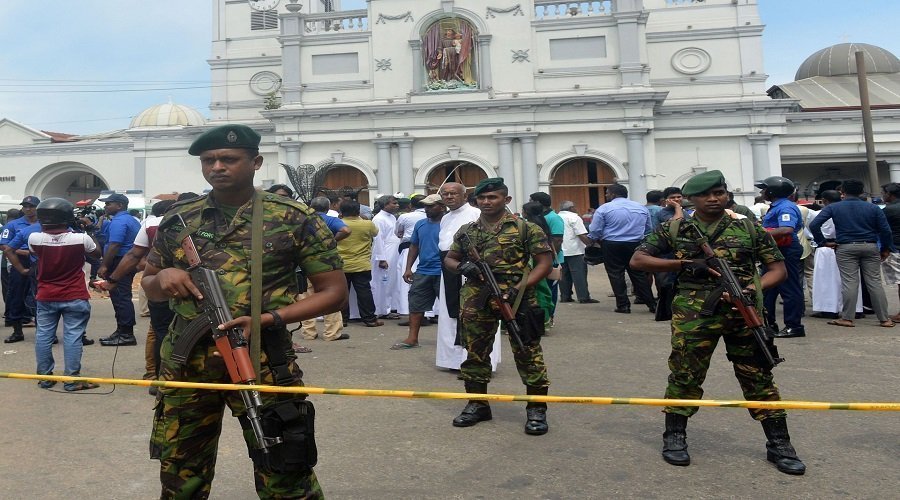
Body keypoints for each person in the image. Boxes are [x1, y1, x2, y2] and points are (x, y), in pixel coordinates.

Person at [142, 124, 347, 498]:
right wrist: (166, 275)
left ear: (256, 162)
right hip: (187, 365)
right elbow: (150, 284)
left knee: (284, 468)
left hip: (262, 359)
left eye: (229, 159)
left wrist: (269, 319)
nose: (217, 167)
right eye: (209, 160)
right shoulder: (179, 219)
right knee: (180, 473)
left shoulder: (291, 217)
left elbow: (334, 292)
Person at [630, 169, 806, 476]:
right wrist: (684, 264)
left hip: (743, 311)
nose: (714, 199)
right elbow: (638, 260)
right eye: (706, 195)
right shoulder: (675, 228)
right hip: (694, 315)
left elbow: (777, 270)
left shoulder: (748, 228)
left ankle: (779, 443)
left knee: (758, 375)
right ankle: (675, 436)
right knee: (685, 373)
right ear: (691, 199)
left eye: (720, 192)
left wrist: (752, 289)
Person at [444, 178, 553, 435]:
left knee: (528, 352)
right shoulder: (468, 231)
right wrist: (462, 267)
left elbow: (544, 263)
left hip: (519, 298)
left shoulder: (525, 229)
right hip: (476, 297)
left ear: (506, 200)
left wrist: (521, 287)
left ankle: (536, 409)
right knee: (475, 352)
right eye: (482, 198)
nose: (486, 202)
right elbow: (450, 258)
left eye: (492, 197)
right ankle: (477, 404)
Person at [9, 198, 101, 391]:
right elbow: (96, 253)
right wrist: (87, 230)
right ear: (67, 217)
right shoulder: (80, 239)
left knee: (43, 335)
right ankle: (72, 379)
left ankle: (44, 377)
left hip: (46, 295)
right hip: (74, 294)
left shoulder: (34, 238)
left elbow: (34, 252)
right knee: (73, 336)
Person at [106, 199, 176, 388]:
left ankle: (156, 377)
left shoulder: (150, 223)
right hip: (194, 287)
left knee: (160, 332)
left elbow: (133, 254)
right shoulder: (199, 219)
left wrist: (112, 279)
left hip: (159, 285)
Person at [808, 179, 894, 328]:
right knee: (874, 283)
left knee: (850, 282)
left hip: (845, 247)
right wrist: (885, 248)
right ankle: (884, 319)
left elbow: (814, 224)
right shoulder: (872, 208)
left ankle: (847, 318)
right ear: (861, 192)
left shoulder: (834, 207)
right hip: (870, 245)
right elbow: (886, 230)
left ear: (843, 192)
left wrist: (823, 242)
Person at [436, 182, 501, 371]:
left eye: (453, 193)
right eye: (445, 194)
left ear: (465, 196)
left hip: (470, 269)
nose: (449, 197)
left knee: (474, 315)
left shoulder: (475, 214)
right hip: (449, 267)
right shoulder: (445, 218)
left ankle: (476, 361)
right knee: (451, 314)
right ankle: (454, 361)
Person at [589, 183, 656, 313]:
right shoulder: (641, 208)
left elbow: (595, 230)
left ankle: (623, 305)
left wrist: (594, 239)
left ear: (613, 194)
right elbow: (648, 229)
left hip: (612, 244)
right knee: (639, 274)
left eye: (607, 193)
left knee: (615, 274)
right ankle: (652, 304)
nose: (606, 195)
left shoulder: (604, 208)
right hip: (635, 243)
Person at [296, 196, 352, 344]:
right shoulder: (330, 220)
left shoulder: (302, 219)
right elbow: (346, 230)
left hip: (303, 264)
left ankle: (308, 332)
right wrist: (333, 241)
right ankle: (331, 333)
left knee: (306, 298)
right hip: (326, 265)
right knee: (330, 296)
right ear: (328, 208)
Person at [393, 194, 446, 349]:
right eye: (426, 206)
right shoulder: (420, 224)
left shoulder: (448, 223)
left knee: (448, 308)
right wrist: (408, 268)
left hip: (444, 272)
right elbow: (414, 246)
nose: (427, 209)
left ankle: (451, 340)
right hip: (423, 270)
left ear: (442, 207)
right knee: (415, 305)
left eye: (431, 206)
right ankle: (412, 338)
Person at [756, 176, 806, 338]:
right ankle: (768, 323)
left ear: (772, 191)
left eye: (764, 189)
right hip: (774, 250)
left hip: (785, 250)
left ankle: (794, 326)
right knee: (768, 288)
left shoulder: (785, 207)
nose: (762, 192)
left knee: (789, 289)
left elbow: (786, 229)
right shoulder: (776, 206)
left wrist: (761, 233)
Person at [96, 193, 142, 346]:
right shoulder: (131, 220)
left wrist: (104, 265)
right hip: (126, 261)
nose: (105, 206)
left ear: (120, 205)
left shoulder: (120, 221)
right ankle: (121, 330)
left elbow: (114, 245)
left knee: (120, 297)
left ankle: (126, 334)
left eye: (109, 203)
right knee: (120, 296)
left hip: (119, 261)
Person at [809, 190, 862, 319]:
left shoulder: (820, 213)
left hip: (827, 246)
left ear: (825, 200)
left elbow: (811, 228)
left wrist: (821, 241)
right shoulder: (850, 212)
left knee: (826, 279)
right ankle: (855, 308)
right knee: (850, 279)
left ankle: (829, 308)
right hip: (846, 244)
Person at [337, 199, 383, 327]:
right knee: (364, 292)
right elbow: (376, 233)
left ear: (341, 211)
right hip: (362, 263)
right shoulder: (367, 224)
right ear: (358, 211)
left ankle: (342, 319)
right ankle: (370, 319)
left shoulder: (338, 223)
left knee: (342, 293)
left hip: (342, 264)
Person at [1, 196, 40, 342]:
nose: (28, 209)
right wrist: (24, 253)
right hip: (19, 261)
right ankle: (17, 331)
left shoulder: (44, 224)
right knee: (16, 295)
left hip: (39, 261)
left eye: (32, 206)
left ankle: (43, 332)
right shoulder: (13, 225)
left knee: (40, 296)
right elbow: (4, 245)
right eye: (25, 206)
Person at [394, 193, 428, 323]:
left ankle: (411, 313)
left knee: (407, 282)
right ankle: (430, 312)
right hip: (428, 251)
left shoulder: (405, 217)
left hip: (409, 250)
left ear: (410, 205)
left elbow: (397, 232)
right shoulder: (433, 216)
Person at [557, 200, 596, 303]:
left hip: (560, 250)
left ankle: (565, 296)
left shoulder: (557, 216)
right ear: (571, 208)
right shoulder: (574, 217)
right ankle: (583, 297)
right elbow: (581, 234)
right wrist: (590, 244)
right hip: (575, 250)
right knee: (579, 274)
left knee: (563, 275)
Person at [371, 194, 402, 319]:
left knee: (392, 281)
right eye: (393, 203)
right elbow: (378, 240)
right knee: (382, 282)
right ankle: (382, 310)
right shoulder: (378, 219)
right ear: (385, 205)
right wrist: (381, 258)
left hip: (394, 251)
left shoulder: (393, 217)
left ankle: (391, 307)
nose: (397, 205)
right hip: (385, 252)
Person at [881, 182, 900, 322]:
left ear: (890, 195)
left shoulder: (889, 210)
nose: (883, 196)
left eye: (884, 193)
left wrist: (885, 249)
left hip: (896, 248)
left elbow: (884, 231)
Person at [1, 207, 21, 327]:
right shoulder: (16, 226)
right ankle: (13, 316)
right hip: (15, 261)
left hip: (5, 262)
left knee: (8, 289)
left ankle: (9, 315)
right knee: (15, 290)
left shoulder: (4, 227)